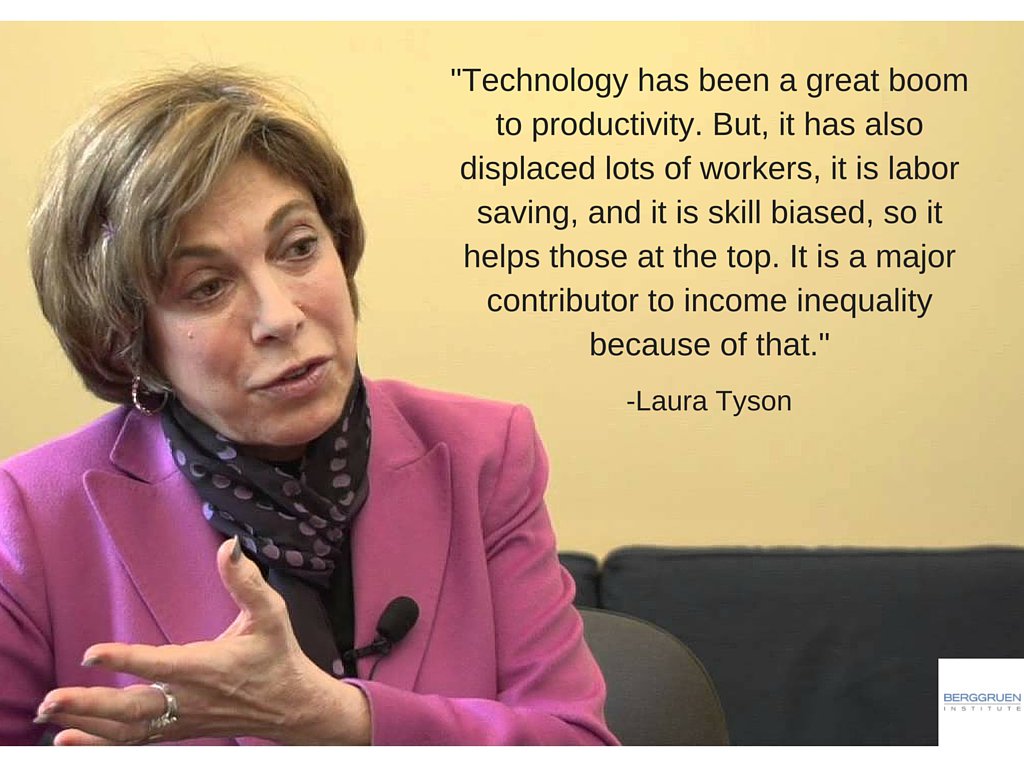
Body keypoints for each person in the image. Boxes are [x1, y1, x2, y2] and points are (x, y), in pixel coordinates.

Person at [0, 67, 617, 746]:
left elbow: (577, 743)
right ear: (131, 340)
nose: (281, 315)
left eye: (298, 248)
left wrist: (344, 722)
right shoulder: (33, 514)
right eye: (207, 287)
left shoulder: (484, 454)